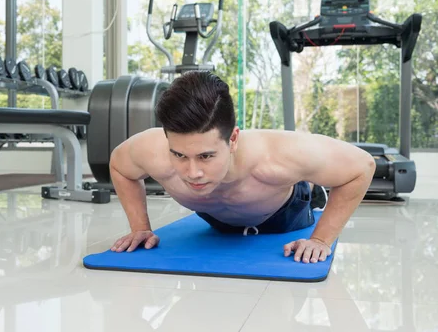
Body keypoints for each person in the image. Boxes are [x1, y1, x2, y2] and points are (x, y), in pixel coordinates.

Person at [108, 71, 376, 264]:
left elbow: (362, 167)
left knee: (302, 180)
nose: (192, 172)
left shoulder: (279, 155)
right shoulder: (151, 149)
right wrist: (139, 226)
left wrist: (320, 240)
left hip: (283, 214)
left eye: (206, 156)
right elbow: (119, 166)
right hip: (215, 218)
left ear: (233, 138)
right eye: (178, 155)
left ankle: (313, 188)